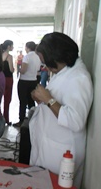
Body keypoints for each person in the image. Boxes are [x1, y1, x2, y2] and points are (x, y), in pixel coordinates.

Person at [30, 32, 93, 188]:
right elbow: (58, 101)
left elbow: (75, 120)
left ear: (58, 57)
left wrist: (48, 99)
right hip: (50, 147)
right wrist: (42, 98)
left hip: (61, 152)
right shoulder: (65, 71)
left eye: (47, 62)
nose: (46, 67)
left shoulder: (79, 78)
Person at [13, 41, 41, 128]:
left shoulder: (27, 57)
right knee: (31, 101)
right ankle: (32, 120)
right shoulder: (37, 57)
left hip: (24, 81)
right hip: (33, 81)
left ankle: (21, 120)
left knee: (23, 101)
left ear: (27, 47)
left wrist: (19, 69)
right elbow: (38, 69)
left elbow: (23, 70)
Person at [1, 40, 14, 126]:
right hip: (8, 79)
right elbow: (11, 69)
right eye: (12, 46)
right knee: (7, 99)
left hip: (0, 78)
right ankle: (6, 118)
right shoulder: (9, 56)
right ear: (8, 46)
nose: (13, 47)